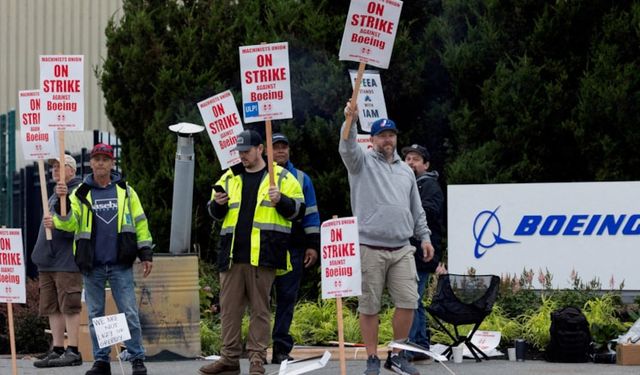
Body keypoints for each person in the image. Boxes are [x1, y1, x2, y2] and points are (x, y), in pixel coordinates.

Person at [339, 103, 434, 375]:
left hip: (403, 247)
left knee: (409, 302)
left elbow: (416, 209)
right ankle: (371, 358)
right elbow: (346, 146)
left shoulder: (406, 171)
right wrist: (351, 120)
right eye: (382, 135)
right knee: (369, 306)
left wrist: (424, 237)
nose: (387, 139)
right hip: (369, 246)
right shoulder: (360, 162)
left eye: (391, 135)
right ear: (372, 139)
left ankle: (397, 354)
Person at [200, 130, 305, 375]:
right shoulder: (228, 177)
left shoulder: (281, 177)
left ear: (260, 149)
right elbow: (213, 212)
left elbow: (299, 211)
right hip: (232, 255)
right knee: (229, 310)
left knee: (260, 310)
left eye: (247, 151)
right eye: (240, 152)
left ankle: (257, 359)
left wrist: (282, 200)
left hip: (264, 254)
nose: (242, 156)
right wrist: (217, 203)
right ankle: (229, 358)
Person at [44, 143, 153, 375]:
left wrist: (145, 253)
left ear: (112, 163)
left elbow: (140, 222)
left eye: (105, 159)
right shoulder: (81, 192)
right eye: (97, 159)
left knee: (129, 313)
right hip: (92, 264)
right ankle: (101, 361)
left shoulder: (125, 190)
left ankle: (137, 359)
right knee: (95, 315)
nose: (101, 163)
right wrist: (62, 209)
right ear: (91, 163)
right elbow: (69, 224)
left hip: (120, 263)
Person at [270, 133, 320, 364]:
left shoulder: (301, 178)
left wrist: (312, 245)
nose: (280, 151)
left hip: (293, 247)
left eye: (284, 147)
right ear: (265, 150)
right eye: (275, 147)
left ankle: (280, 349)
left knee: (287, 298)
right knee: (259, 301)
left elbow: (311, 213)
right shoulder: (259, 175)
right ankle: (256, 349)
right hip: (264, 247)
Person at [31, 154, 83, 368]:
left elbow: (75, 221)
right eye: (52, 167)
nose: (54, 170)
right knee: (52, 306)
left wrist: (66, 202)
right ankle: (58, 348)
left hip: (66, 261)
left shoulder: (77, 192)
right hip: (48, 261)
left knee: (69, 305)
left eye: (60, 167)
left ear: (71, 170)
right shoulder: (53, 195)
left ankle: (73, 351)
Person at [401, 144, 445, 361]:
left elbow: (428, 212)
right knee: (414, 299)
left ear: (426, 165)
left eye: (416, 159)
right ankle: (420, 344)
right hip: (412, 252)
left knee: (411, 299)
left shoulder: (429, 186)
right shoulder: (408, 185)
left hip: (423, 252)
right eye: (408, 158)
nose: (410, 163)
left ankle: (412, 347)